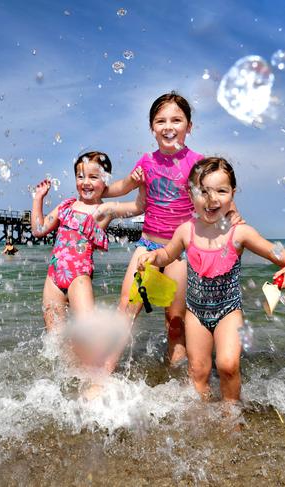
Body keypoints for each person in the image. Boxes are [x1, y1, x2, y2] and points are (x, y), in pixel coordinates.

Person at [137, 157, 285, 402]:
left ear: (233, 193)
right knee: (198, 371)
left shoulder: (240, 232)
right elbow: (167, 254)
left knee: (227, 365)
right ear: (190, 195)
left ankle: (231, 413)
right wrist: (152, 257)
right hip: (195, 314)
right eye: (203, 191)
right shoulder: (186, 231)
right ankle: (205, 418)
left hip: (228, 312)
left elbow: (277, 253)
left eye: (221, 191)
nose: (212, 199)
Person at [103, 92, 241, 366]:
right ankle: (104, 371)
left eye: (176, 120)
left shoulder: (199, 164)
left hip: (180, 252)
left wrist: (236, 222)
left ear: (189, 127)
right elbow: (123, 190)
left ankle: (176, 381)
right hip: (148, 246)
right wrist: (99, 190)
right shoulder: (145, 162)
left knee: (175, 320)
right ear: (152, 128)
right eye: (160, 120)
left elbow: (222, 200)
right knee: (126, 309)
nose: (168, 126)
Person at [31, 151, 145, 371]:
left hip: (79, 279)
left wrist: (141, 182)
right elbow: (39, 229)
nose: (86, 182)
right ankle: (71, 385)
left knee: (87, 336)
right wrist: (38, 199)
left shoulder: (104, 210)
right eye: (81, 176)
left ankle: (96, 378)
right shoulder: (65, 206)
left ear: (106, 181)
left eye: (94, 177)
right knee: (57, 343)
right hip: (53, 280)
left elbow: (139, 206)